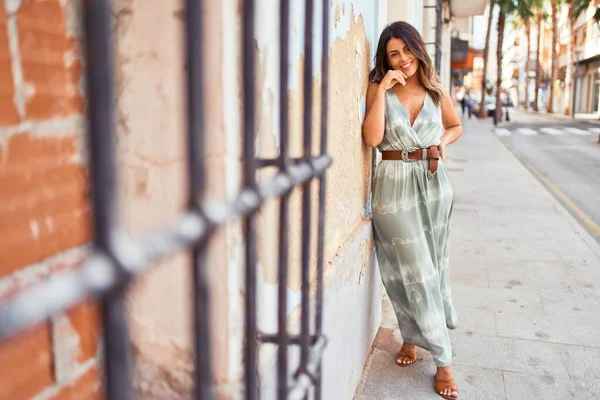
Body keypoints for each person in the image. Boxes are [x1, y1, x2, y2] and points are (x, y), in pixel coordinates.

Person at [361, 21, 462, 399]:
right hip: (394, 187)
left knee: (429, 269)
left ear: (418, 50)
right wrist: (382, 90)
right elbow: (372, 139)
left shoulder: (436, 91)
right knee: (413, 270)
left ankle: (411, 338)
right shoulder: (379, 89)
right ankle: (445, 362)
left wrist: (442, 140)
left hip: (435, 187)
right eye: (393, 54)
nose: (402, 59)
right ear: (385, 60)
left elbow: (455, 127)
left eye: (406, 50)